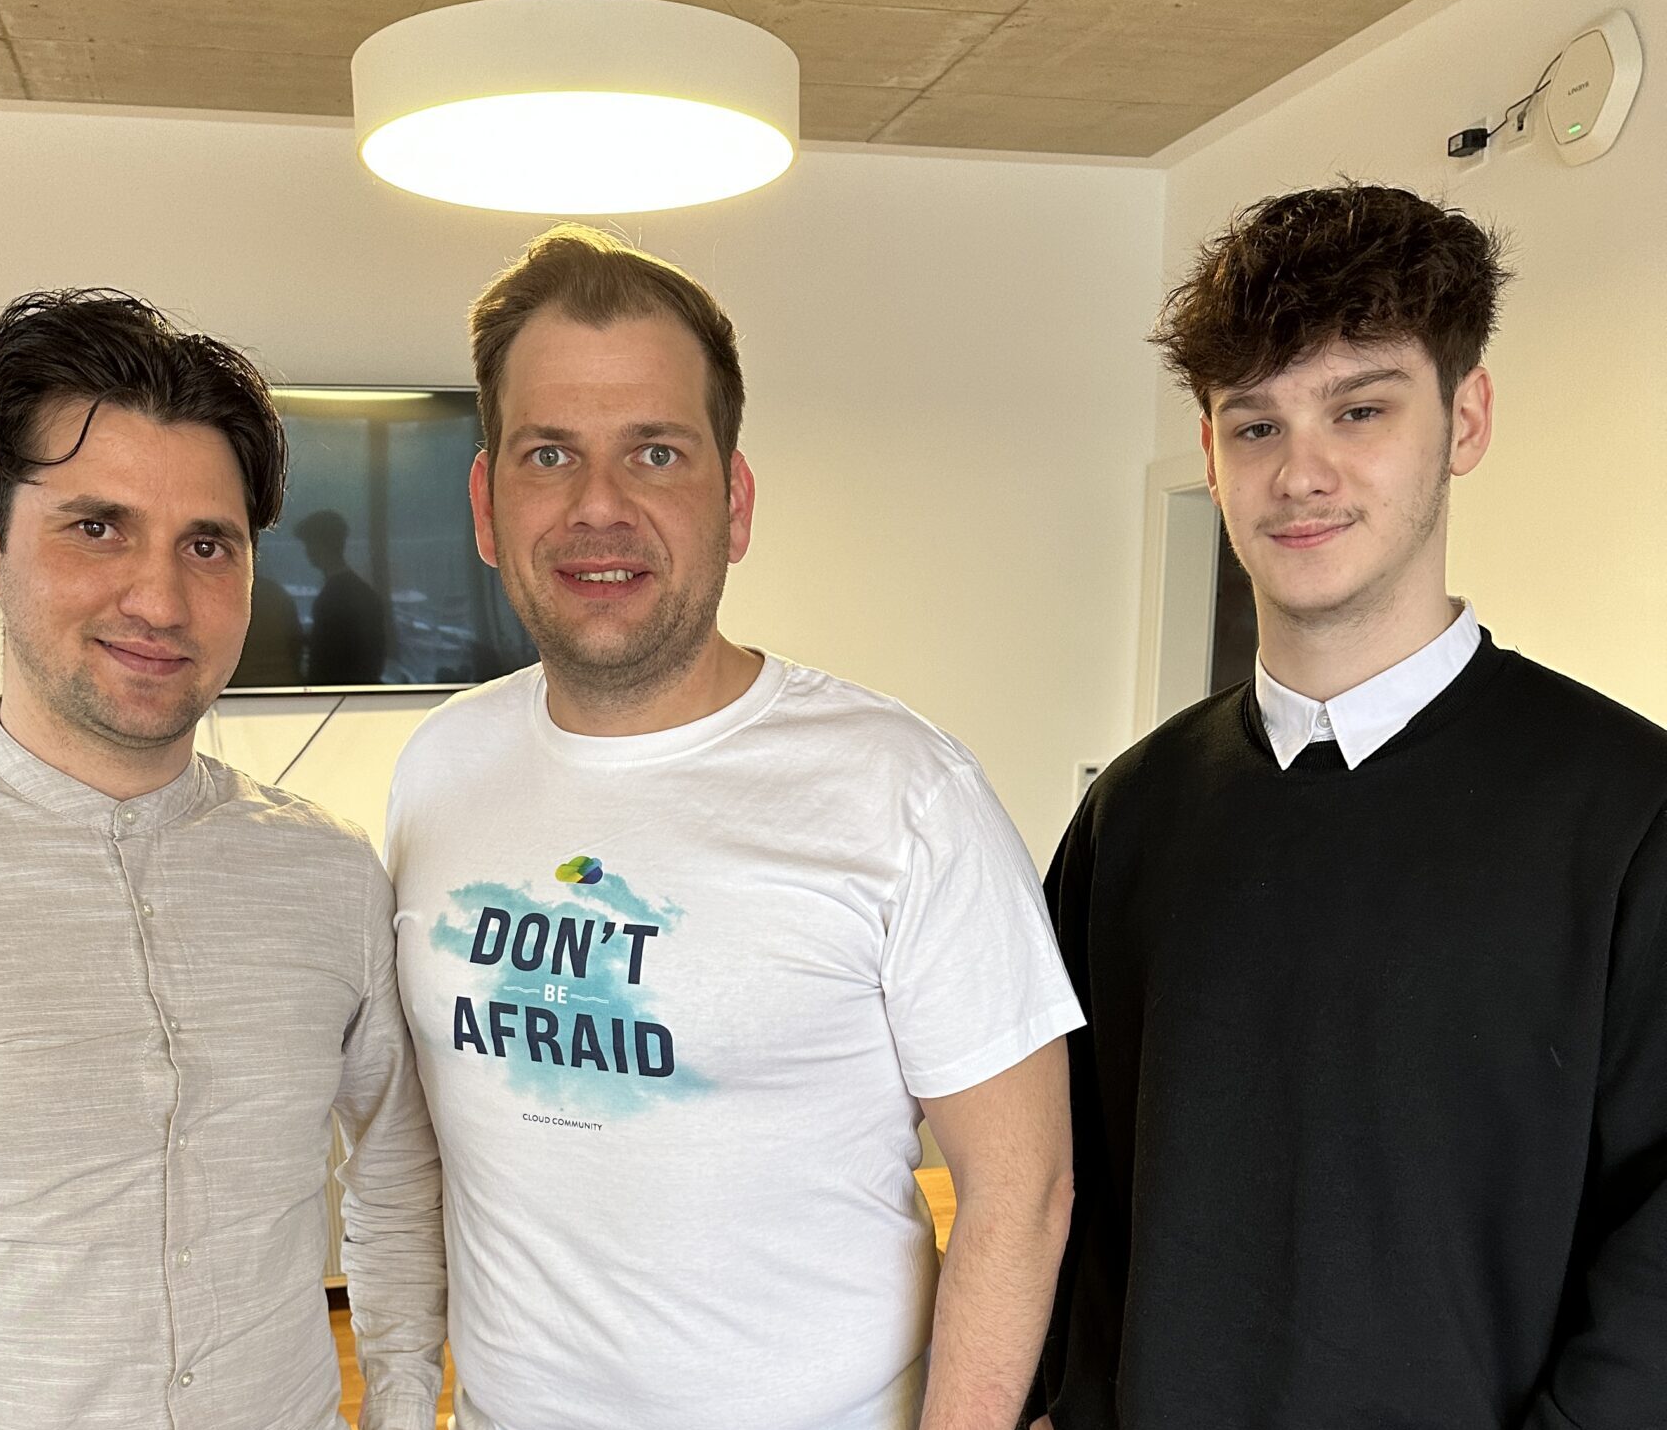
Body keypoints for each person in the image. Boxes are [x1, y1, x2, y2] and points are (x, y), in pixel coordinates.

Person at [385, 225, 1083, 1430]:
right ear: (487, 507)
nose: (599, 506)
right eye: (550, 454)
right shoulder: (440, 770)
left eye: (656, 452)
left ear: (735, 503)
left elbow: (1024, 1193)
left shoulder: (904, 792)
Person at [0, 290, 445, 1430]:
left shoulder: (329, 872)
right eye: (97, 527)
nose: (160, 600)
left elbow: (401, 1173)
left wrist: (407, 1404)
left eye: (207, 545)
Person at [1033, 184, 1667, 1428]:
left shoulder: (1631, 816)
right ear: (1210, 454)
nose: (1300, 473)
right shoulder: (1132, 816)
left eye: (1360, 409)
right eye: (1256, 425)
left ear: (1466, 418)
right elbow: (1066, 1182)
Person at [295, 508, 394, 686]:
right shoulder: (365, 593)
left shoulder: (329, 600)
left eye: (308, 544)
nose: (307, 552)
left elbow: (323, 663)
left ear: (318, 545)